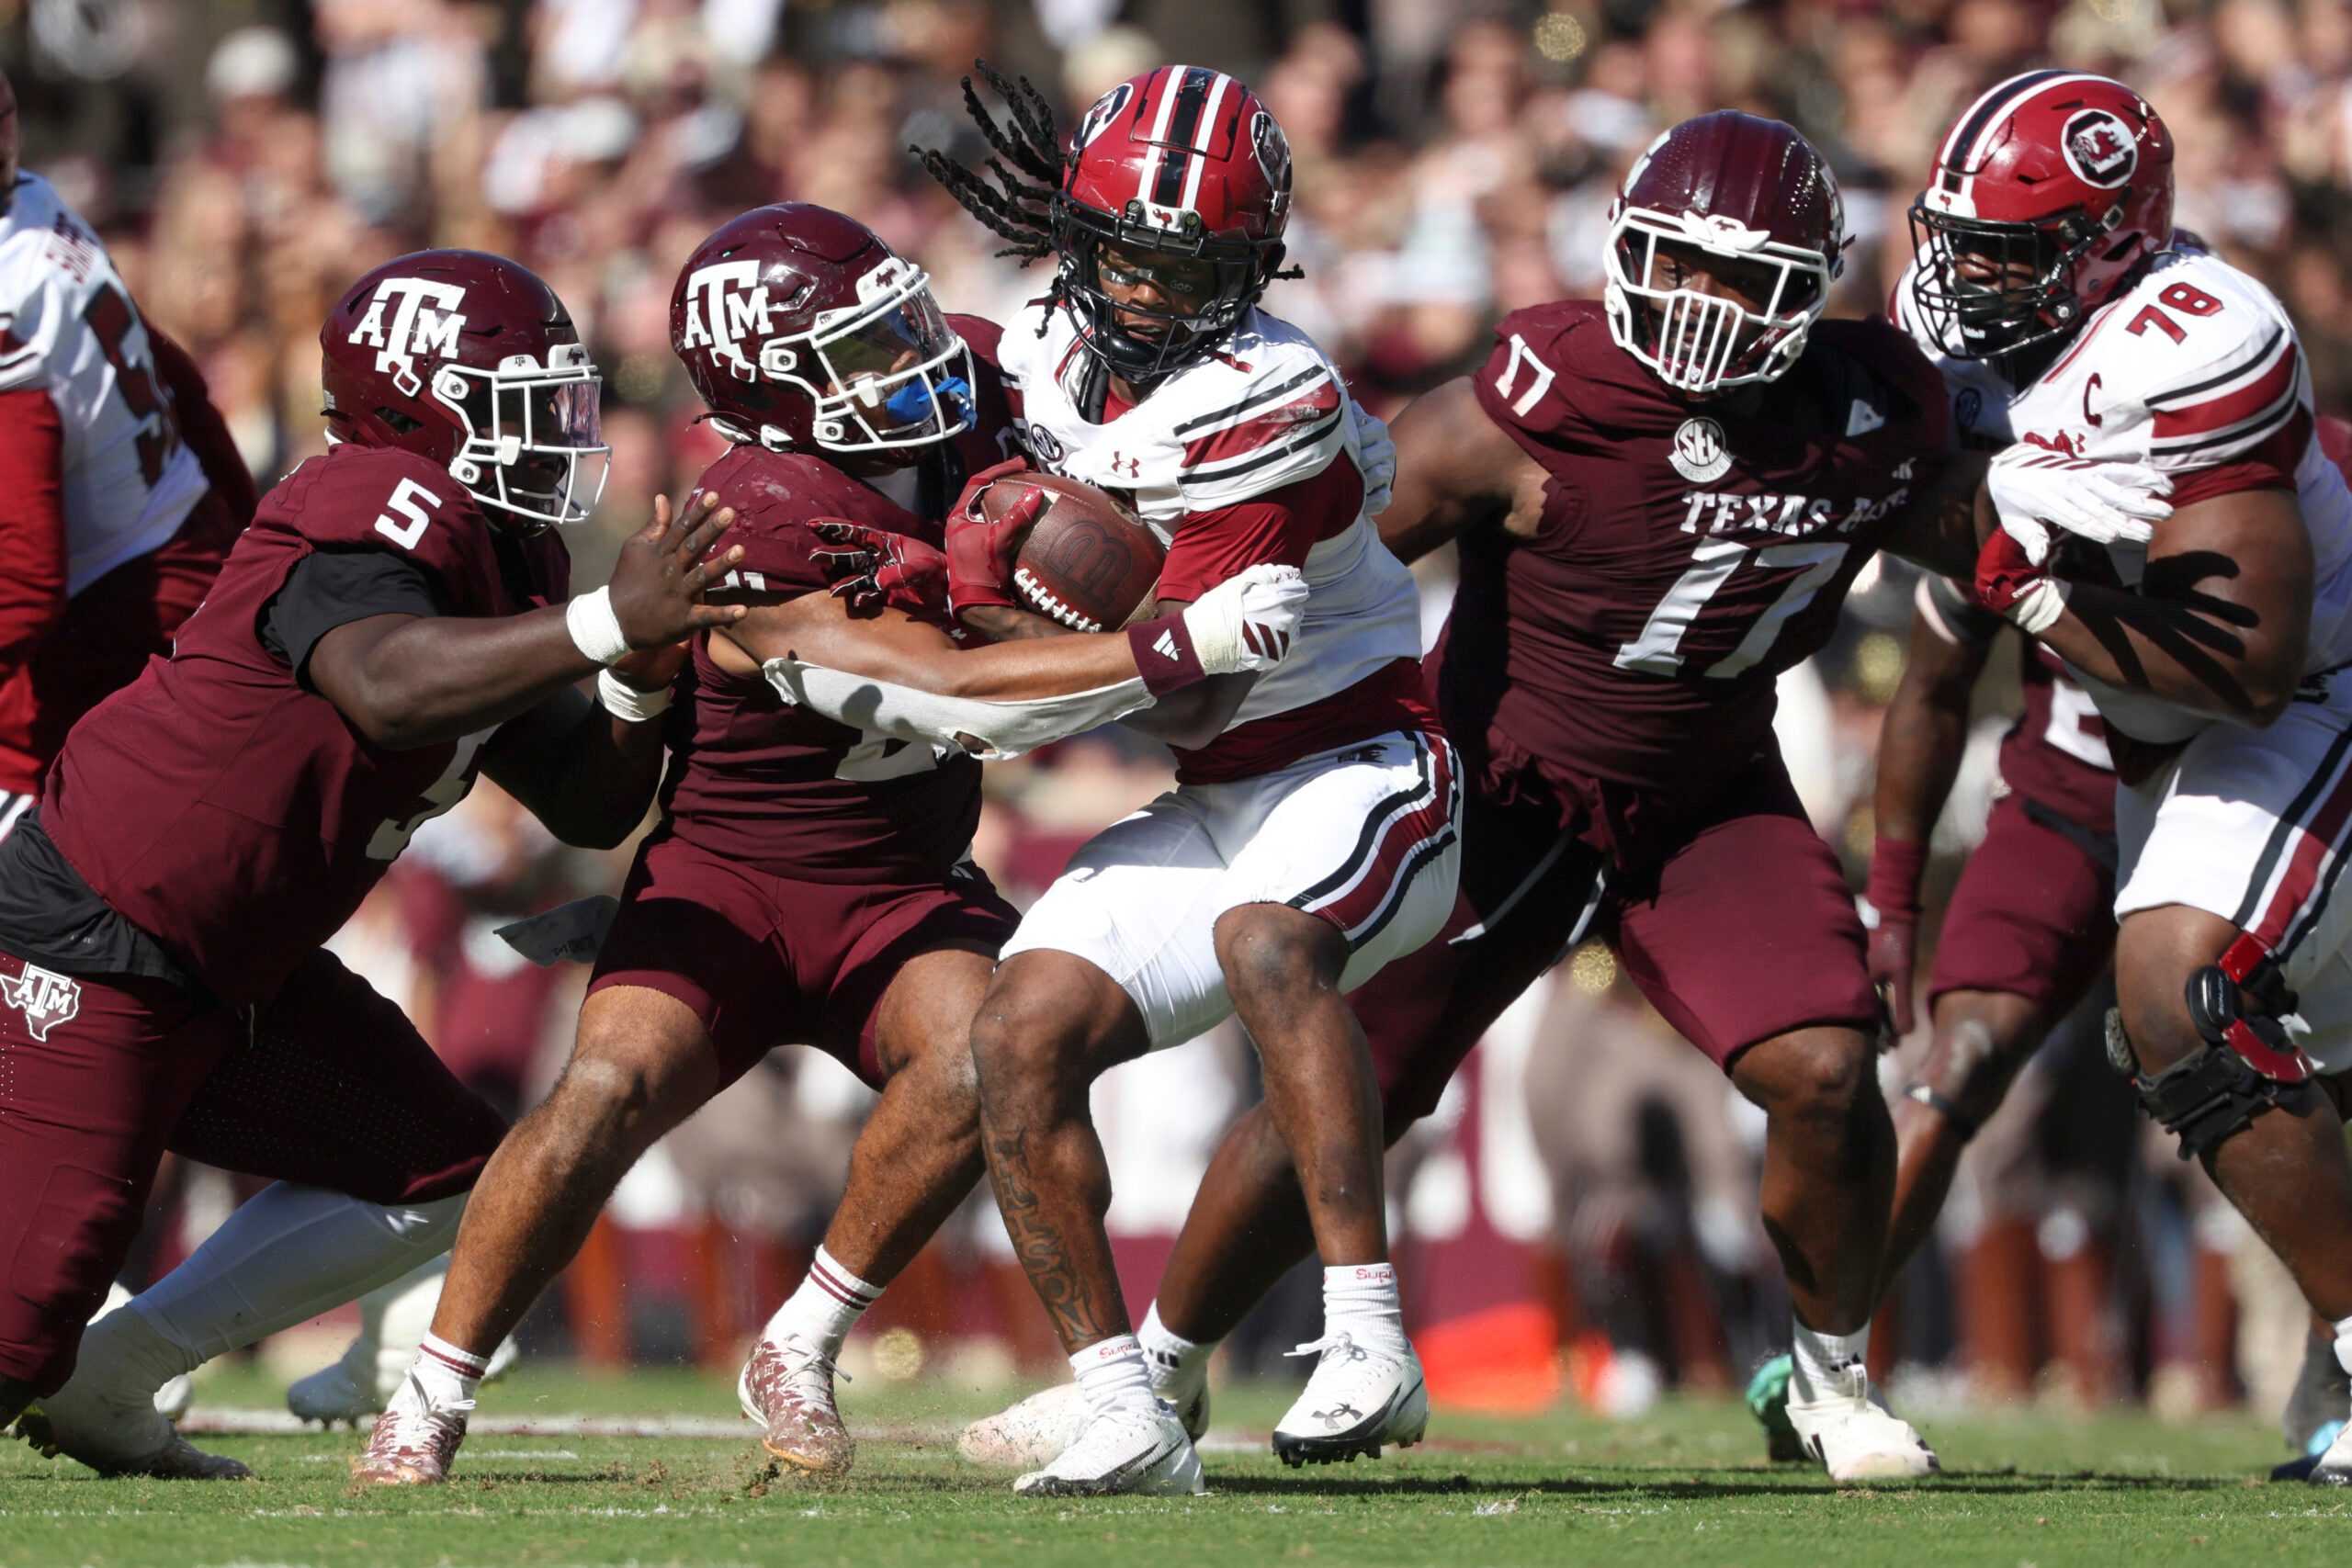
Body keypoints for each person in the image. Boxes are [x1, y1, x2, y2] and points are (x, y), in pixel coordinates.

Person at [962, 108, 2174, 1483]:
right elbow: (1341, 556)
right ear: (1624, 254)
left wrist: (2124, 582)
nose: (1708, 306)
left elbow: (1992, 535)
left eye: (1746, 278)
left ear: (1813, 287)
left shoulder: (1871, 410)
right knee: (1358, 1075)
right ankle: (1167, 1373)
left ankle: (1834, 1375)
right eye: (1682, 266)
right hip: (1500, 781)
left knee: (1829, 1072)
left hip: (1708, 793)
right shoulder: (1533, 395)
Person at [352, 205, 1308, 1486]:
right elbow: (939, 693)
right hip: (732, 875)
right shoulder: (747, 518)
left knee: (992, 1059)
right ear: (771, 390)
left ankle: (799, 1338)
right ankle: (430, 1391)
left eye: (898, 320)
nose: (911, 356)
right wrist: (1178, 642)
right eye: (860, 349)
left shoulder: (965, 391)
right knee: (600, 1094)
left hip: (901, 881)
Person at [0, 247, 741, 1478]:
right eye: (522, 402)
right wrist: (606, 622)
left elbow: (587, 800)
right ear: (416, 403)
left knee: (451, 1172)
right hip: (102, 929)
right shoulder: (368, 498)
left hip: (243, 964)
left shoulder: (506, 546)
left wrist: (639, 672)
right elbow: (385, 686)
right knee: (12, 1337)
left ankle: (116, 1372)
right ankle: (60, 1367)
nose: (558, 430)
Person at [912, 63, 1459, 1495]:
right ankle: (1125, 1402)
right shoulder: (1030, 343)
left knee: (1267, 938)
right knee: (1015, 1032)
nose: (1150, 296)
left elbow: (1198, 683)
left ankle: (1369, 1337)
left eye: (1190, 267)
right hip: (1213, 791)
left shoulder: (1271, 390)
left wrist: (994, 640)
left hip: (1360, 760)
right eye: (1128, 260)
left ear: (1255, 265)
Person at [1913, 70, 2352, 1484]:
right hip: (2156, 733)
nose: (1964, 273)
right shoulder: (1996, 345)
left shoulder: (2196, 339)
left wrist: (2031, 601)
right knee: (2277, 1051)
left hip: (2302, 694)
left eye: (2004, 246)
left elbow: (2252, 665)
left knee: (2185, 993)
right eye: (1956, 234)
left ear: (2109, 242)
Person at [0, 64, 250, 837]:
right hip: (180, 542)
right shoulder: (33, 203)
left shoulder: (10, 295)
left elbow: (25, 570)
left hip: (108, 622)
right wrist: (243, 534)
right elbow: (176, 376)